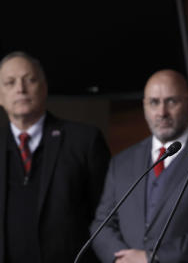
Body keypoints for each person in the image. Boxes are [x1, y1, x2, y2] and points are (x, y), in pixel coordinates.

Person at [91, 70, 188, 263]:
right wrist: (121, 259)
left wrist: (152, 258)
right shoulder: (122, 162)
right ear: (144, 106)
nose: (162, 112)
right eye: (154, 102)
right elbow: (102, 224)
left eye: (171, 101)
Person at [0, 51, 111, 263]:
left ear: (44, 87)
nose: (20, 89)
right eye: (10, 83)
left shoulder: (84, 141)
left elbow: (107, 217)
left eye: (29, 80)